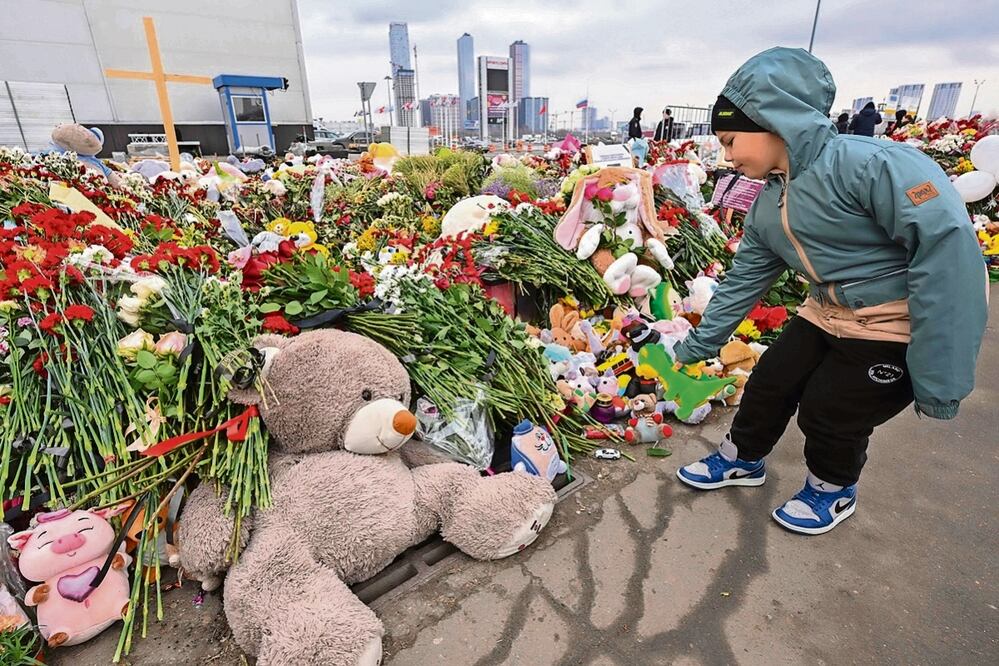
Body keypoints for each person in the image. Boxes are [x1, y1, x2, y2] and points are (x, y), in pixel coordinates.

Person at [673, 47, 987, 535]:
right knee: (771, 381)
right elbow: (744, 281)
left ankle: (832, 487)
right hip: (825, 311)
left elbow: (947, 253)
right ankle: (743, 458)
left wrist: (941, 375)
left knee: (831, 409)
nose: (727, 155)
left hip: (892, 321)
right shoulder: (769, 202)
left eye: (732, 140)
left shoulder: (872, 165)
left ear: (774, 121)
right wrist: (697, 345)